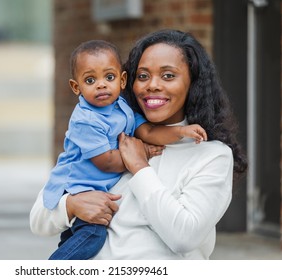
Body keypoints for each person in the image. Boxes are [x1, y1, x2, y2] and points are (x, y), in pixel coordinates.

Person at [31, 31, 242, 260]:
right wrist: (71, 206)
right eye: (142, 76)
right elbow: (38, 218)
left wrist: (140, 168)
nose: (152, 85)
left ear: (193, 83)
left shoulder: (212, 156)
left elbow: (184, 237)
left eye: (168, 76)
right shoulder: (111, 133)